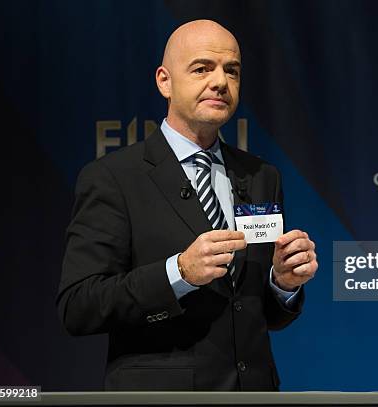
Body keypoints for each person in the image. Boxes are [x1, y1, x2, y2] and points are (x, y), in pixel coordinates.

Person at [57, 19, 318, 391]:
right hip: (162, 397)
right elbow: (78, 307)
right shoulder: (113, 177)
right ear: (165, 80)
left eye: (232, 71)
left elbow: (257, 313)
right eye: (201, 68)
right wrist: (178, 272)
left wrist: (283, 283)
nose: (220, 82)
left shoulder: (261, 176)